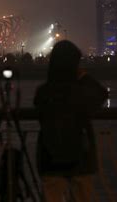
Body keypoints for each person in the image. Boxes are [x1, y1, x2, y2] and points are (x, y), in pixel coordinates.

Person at [34, 40, 108, 202]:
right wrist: (84, 76)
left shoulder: (43, 93)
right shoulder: (81, 92)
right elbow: (101, 94)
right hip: (80, 158)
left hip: (50, 158)